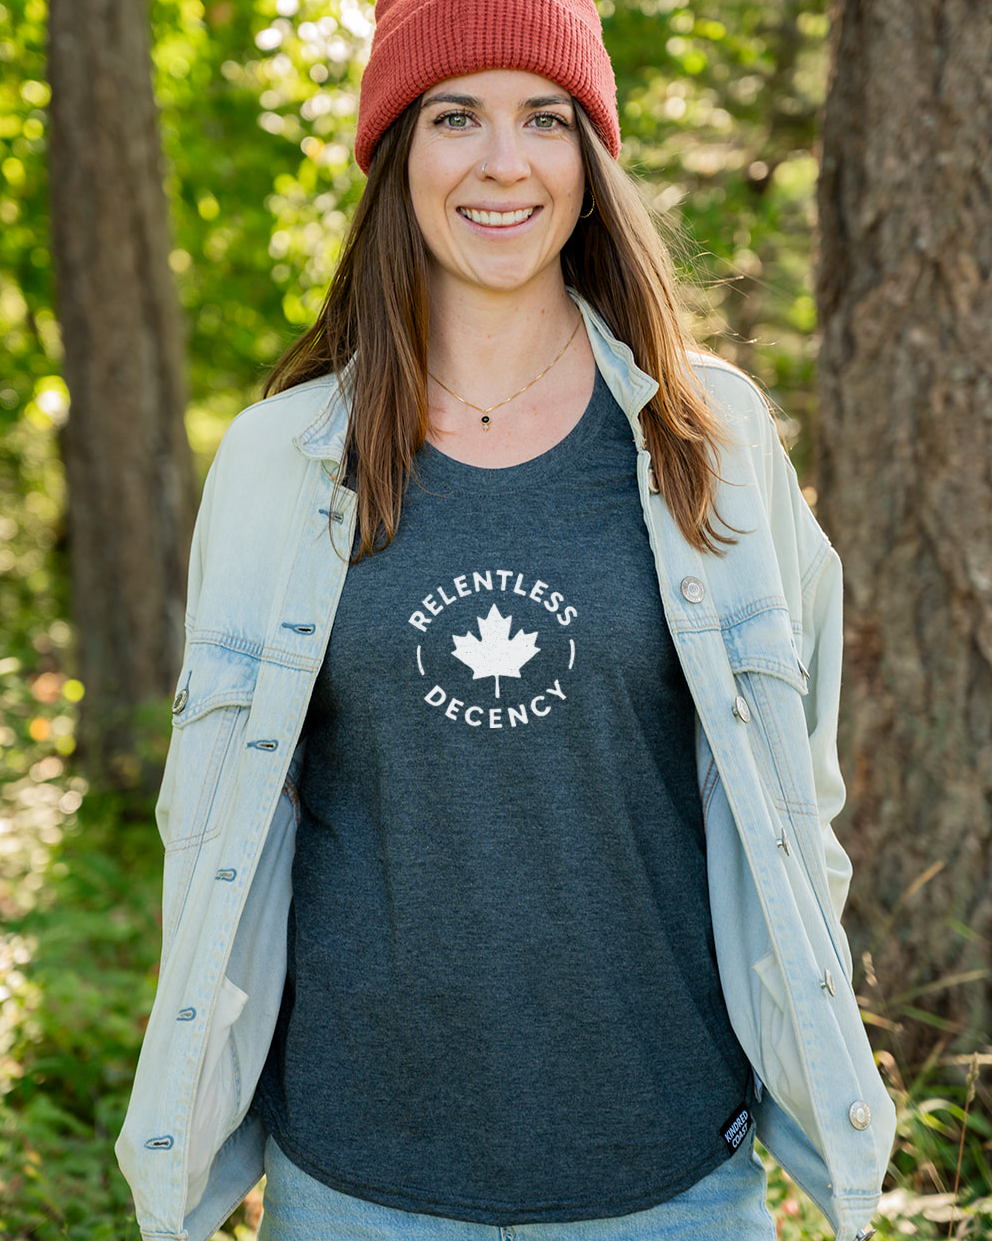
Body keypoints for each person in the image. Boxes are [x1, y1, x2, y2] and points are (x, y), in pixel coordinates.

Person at [116, 2, 895, 1238]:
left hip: (669, 1171)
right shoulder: (280, 461)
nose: (502, 161)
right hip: (358, 1178)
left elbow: (800, 792)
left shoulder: (715, 440)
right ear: (396, 155)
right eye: (454, 116)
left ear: (591, 155)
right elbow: (218, 821)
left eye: (544, 116)